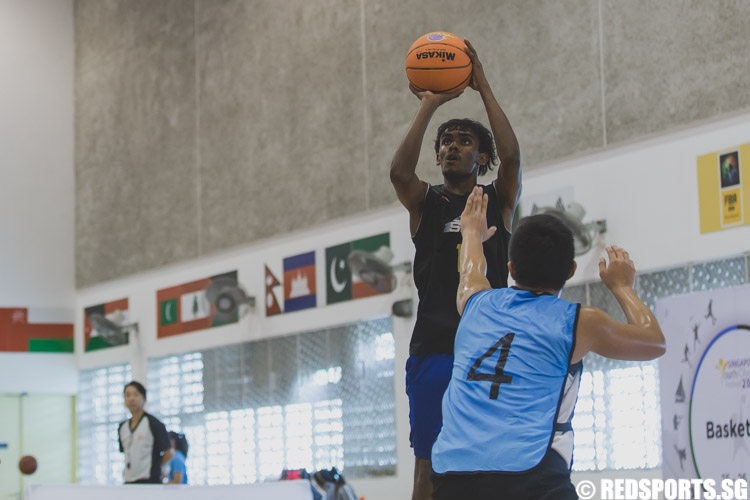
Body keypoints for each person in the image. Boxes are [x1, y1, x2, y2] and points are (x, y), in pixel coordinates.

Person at [430, 188, 666, 499]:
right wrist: (622, 287)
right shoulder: (577, 320)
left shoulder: (474, 302)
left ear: (512, 269)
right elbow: (654, 343)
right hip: (528, 474)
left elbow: (473, 268)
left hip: (451, 475)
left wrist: (472, 232)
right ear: (570, 270)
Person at [390, 39, 521, 500]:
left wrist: (480, 83)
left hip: (488, 352)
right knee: (428, 468)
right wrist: (430, 104)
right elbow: (399, 174)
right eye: (446, 142)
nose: (451, 147)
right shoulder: (426, 202)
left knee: (491, 469)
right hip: (434, 350)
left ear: (480, 158)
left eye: (463, 141)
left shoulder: (496, 201)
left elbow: (513, 157)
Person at [118, 381, 173, 484]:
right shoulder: (122, 427)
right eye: (127, 395)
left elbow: (168, 453)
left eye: (136, 394)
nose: (131, 399)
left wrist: (157, 468)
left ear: (144, 398)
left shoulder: (154, 424)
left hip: (150, 482)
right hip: (128, 481)